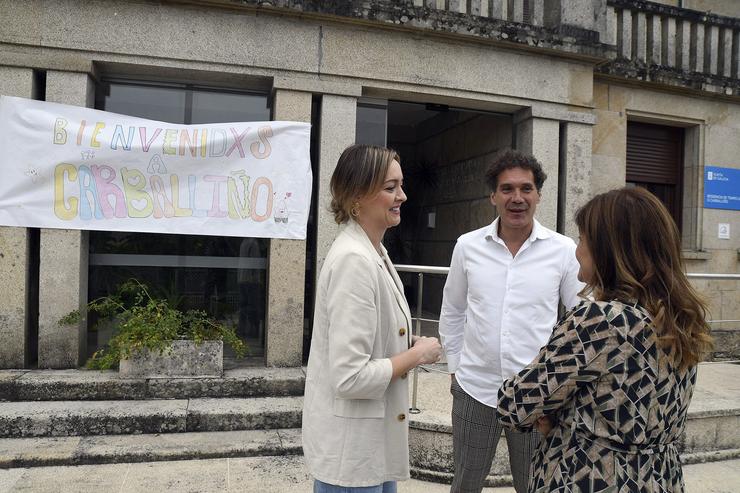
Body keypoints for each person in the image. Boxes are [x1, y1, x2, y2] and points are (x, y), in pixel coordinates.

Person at [497, 187, 713, 492]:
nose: (577, 250)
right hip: (660, 477)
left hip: (591, 477)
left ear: (608, 249)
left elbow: (515, 404)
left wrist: (554, 416)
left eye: (583, 239)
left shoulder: (599, 320)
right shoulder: (681, 316)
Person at [439, 149, 584, 493]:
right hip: (475, 389)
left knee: (535, 484)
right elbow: (453, 310)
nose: (517, 198)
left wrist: (559, 383)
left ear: (538, 195)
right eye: (507, 189)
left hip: (538, 395)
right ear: (493, 196)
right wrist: (456, 366)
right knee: (465, 481)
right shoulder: (467, 246)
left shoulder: (563, 250)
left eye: (526, 189)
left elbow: (579, 320)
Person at [302, 144, 443, 493]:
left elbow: (370, 337)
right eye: (390, 187)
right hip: (353, 458)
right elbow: (350, 377)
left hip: (369, 450)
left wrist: (404, 342)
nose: (403, 196)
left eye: (401, 184)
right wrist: (417, 355)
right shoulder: (355, 260)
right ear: (357, 196)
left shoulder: (373, 251)